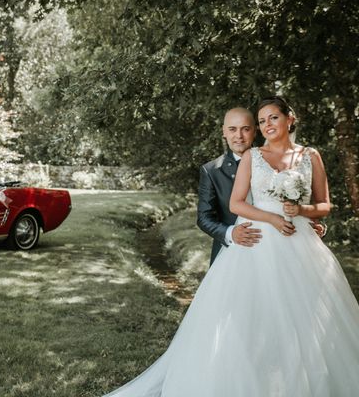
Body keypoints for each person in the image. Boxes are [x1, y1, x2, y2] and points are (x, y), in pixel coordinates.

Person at [104, 96, 359, 397]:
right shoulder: (217, 168)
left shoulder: (306, 155)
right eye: (236, 128)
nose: (245, 133)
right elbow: (210, 215)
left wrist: (304, 215)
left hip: (298, 245)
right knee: (240, 327)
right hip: (247, 250)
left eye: (256, 125)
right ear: (224, 132)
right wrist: (233, 233)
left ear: (286, 120)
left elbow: (320, 203)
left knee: (301, 317)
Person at [197, 108, 262, 264]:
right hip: (231, 253)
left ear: (254, 131)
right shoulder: (211, 170)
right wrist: (231, 233)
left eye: (245, 129)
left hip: (273, 248)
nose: (239, 136)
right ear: (224, 132)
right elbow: (204, 218)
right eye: (232, 129)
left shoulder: (274, 163)